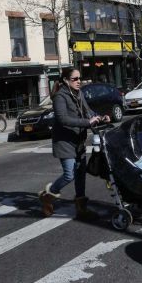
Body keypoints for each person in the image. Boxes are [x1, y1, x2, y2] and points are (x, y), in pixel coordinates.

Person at [39, 68, 109, 220]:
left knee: (80, 174)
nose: (79, 81)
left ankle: (81, 208)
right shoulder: (60, 96)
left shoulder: (79, 93)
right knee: (69, 174)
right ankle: (48, 195)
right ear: (66, 80)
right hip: (64, 141)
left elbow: (88, 111)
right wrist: (87, 122)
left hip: (78, 140)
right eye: (75, 79)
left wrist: (100, 117)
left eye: (79, 78)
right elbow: (63, 119)